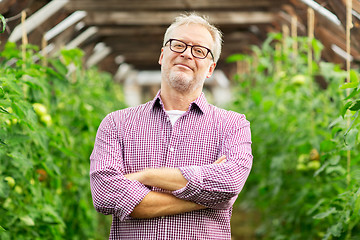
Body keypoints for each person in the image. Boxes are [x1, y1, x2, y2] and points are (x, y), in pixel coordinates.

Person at [90, 12, 253, 240]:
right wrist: (205, 200)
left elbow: (229, 183)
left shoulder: (233, 125)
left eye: (199, 50)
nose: (186, 54)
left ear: (210, 68)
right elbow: (105, 195)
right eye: (178, 45)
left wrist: (146, 176)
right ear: (162, 54)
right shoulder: (116, 124)